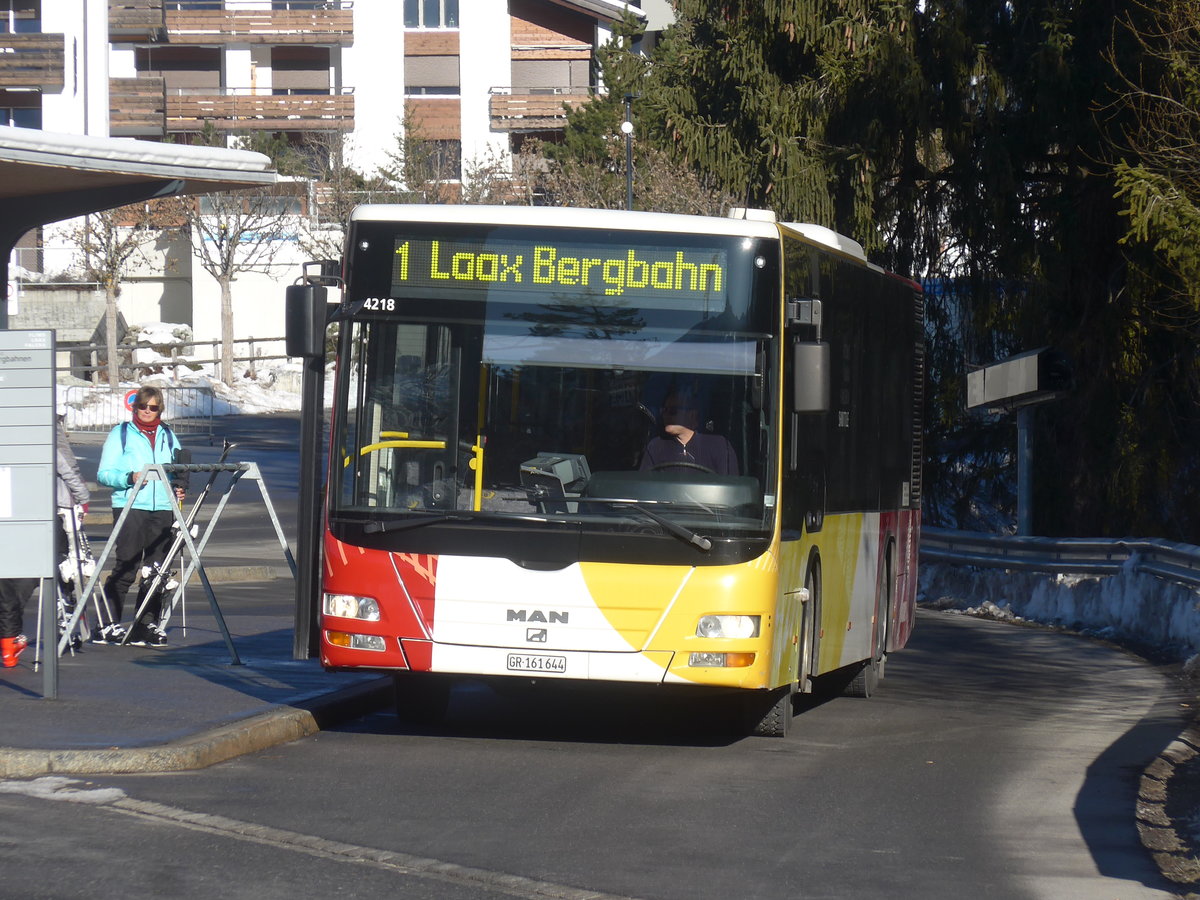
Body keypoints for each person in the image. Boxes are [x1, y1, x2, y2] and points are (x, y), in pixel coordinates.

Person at [95, 385, 186, 647]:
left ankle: (145, 625)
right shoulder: (121, 433)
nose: (147, 411)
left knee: (156, 570)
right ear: (134, 408)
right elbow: (104, 473)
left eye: (153, 407)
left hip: (163, 507)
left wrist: (179, 487)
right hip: (131, 505)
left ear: (160, 409)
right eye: (142, 406)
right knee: (127, 565)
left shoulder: (168, 435)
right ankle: (107, 623)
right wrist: (128, 478)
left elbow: (178, 469)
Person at [639, 388, 739, 476]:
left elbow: (730, 486)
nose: (666, 415)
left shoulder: (718, 445)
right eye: (664, 410)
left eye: (673, 411)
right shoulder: (656, 446)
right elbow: (645, 485)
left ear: (691, 414)